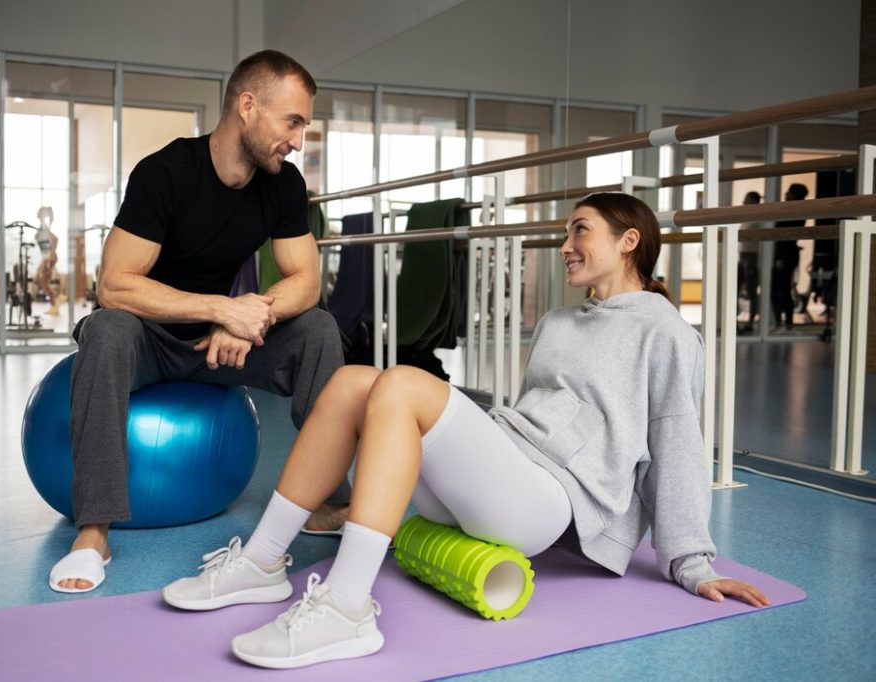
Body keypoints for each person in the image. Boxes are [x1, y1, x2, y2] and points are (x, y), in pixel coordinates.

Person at [160, 192, 771, 669]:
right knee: (350, 382)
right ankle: (263, 564)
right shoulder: (561, 321)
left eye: (579, 230)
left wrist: (692, 562)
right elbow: (530, 417)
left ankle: (346, 607)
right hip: (507, 470)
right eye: (565, 233)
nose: (565, 245)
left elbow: (677, 441)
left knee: (399, 383)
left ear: (629, 240)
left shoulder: (664, 331)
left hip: (550, 500)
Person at [49, 50, 347, 593]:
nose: (299, 140)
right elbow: (115, 283)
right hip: (150, 340)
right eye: (293, 122)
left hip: (222, 347)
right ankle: (93, 529)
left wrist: (247, 318)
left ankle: (320, 501)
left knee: (319, 330)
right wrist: (219, 308)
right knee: (107, 327)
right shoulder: (165, 173)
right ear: (248, 106)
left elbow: (305, 280)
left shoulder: (282, 183)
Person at [771, 183, 808, 330]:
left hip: (785, 256)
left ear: (793, 195)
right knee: (779, 289)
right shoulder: (794, 211)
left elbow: (787, 236)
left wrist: (781, 258)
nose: (785, 194)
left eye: (788, 192)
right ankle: (782, 321)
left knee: (782, 290)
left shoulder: (796, 212)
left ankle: (786, 322)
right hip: (784, 255)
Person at [737, 191, 761, 333]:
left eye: (746, 199)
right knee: (736, 289)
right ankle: (734, 321)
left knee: (752, 292)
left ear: (753, 201)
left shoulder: (757, 219)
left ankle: (751, 322)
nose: (743, 201)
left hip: (751, 258)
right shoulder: (746, 218)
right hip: (742, 257)